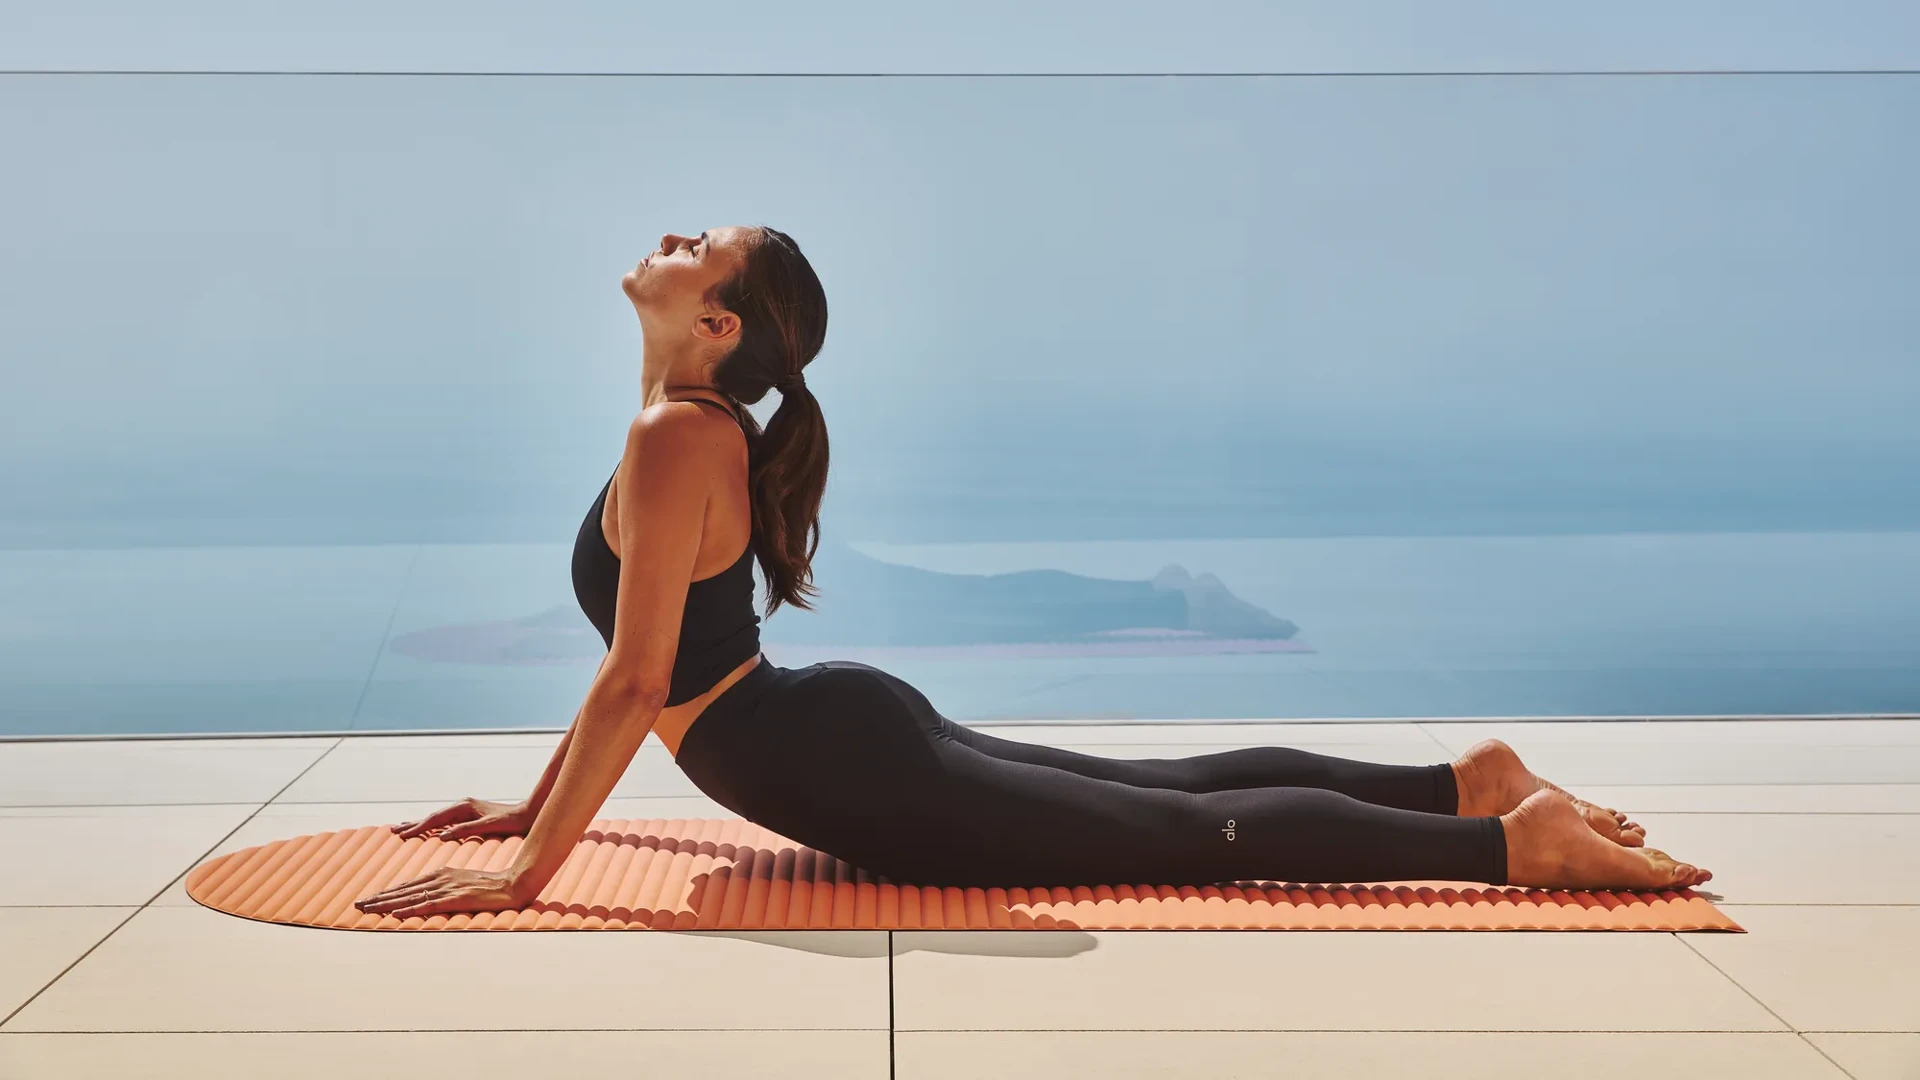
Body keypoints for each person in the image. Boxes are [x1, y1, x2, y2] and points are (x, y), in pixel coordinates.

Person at [356, 226, 1709, 920]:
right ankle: (1462, 781)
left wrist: (529, 870)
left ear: (715, 323)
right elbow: (632, 673)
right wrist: (526, 811)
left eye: (695, 243)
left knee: (1185, 837)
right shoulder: (686, 429)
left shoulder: (674, 434)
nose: (669, 232)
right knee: (1161, 796)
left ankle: (1499, 840)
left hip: (841, 760)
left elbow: (643, 677)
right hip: (833, 736)